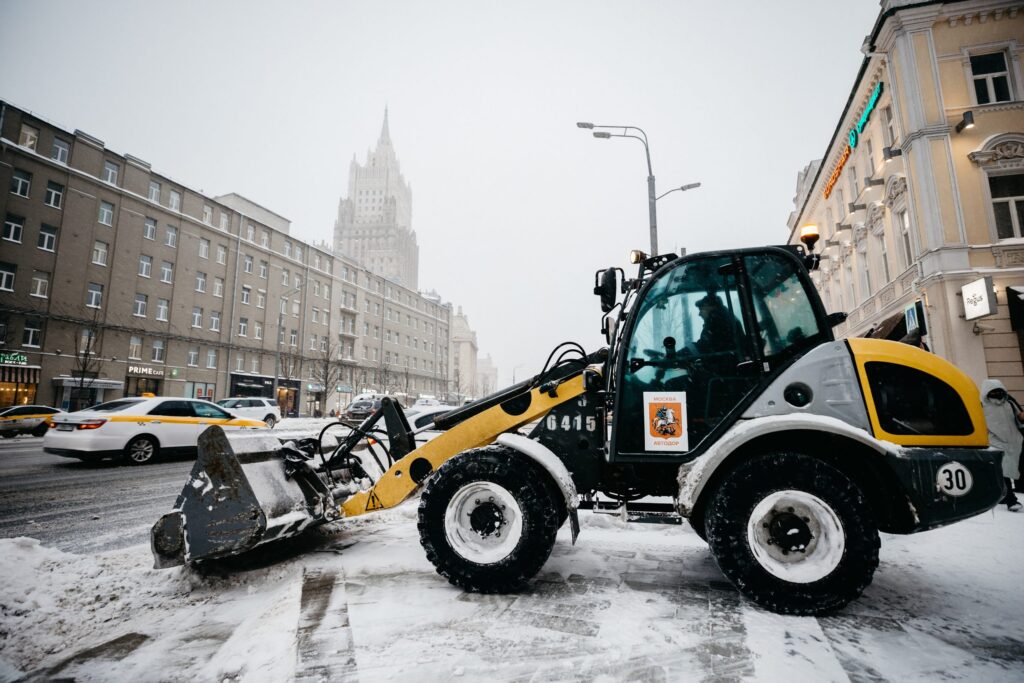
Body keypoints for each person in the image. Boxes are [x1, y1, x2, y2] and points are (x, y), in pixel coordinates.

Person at [980, 379, 1022, 512]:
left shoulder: (1009, 403)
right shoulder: (981, 406)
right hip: (995, 441)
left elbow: (1020, 416)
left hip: (1014, 441)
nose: (997, 393)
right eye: (993, 391)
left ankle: (1004, 496)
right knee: (1003, 469)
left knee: (1013, 469)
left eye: (999, 390)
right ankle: (1011, 500)